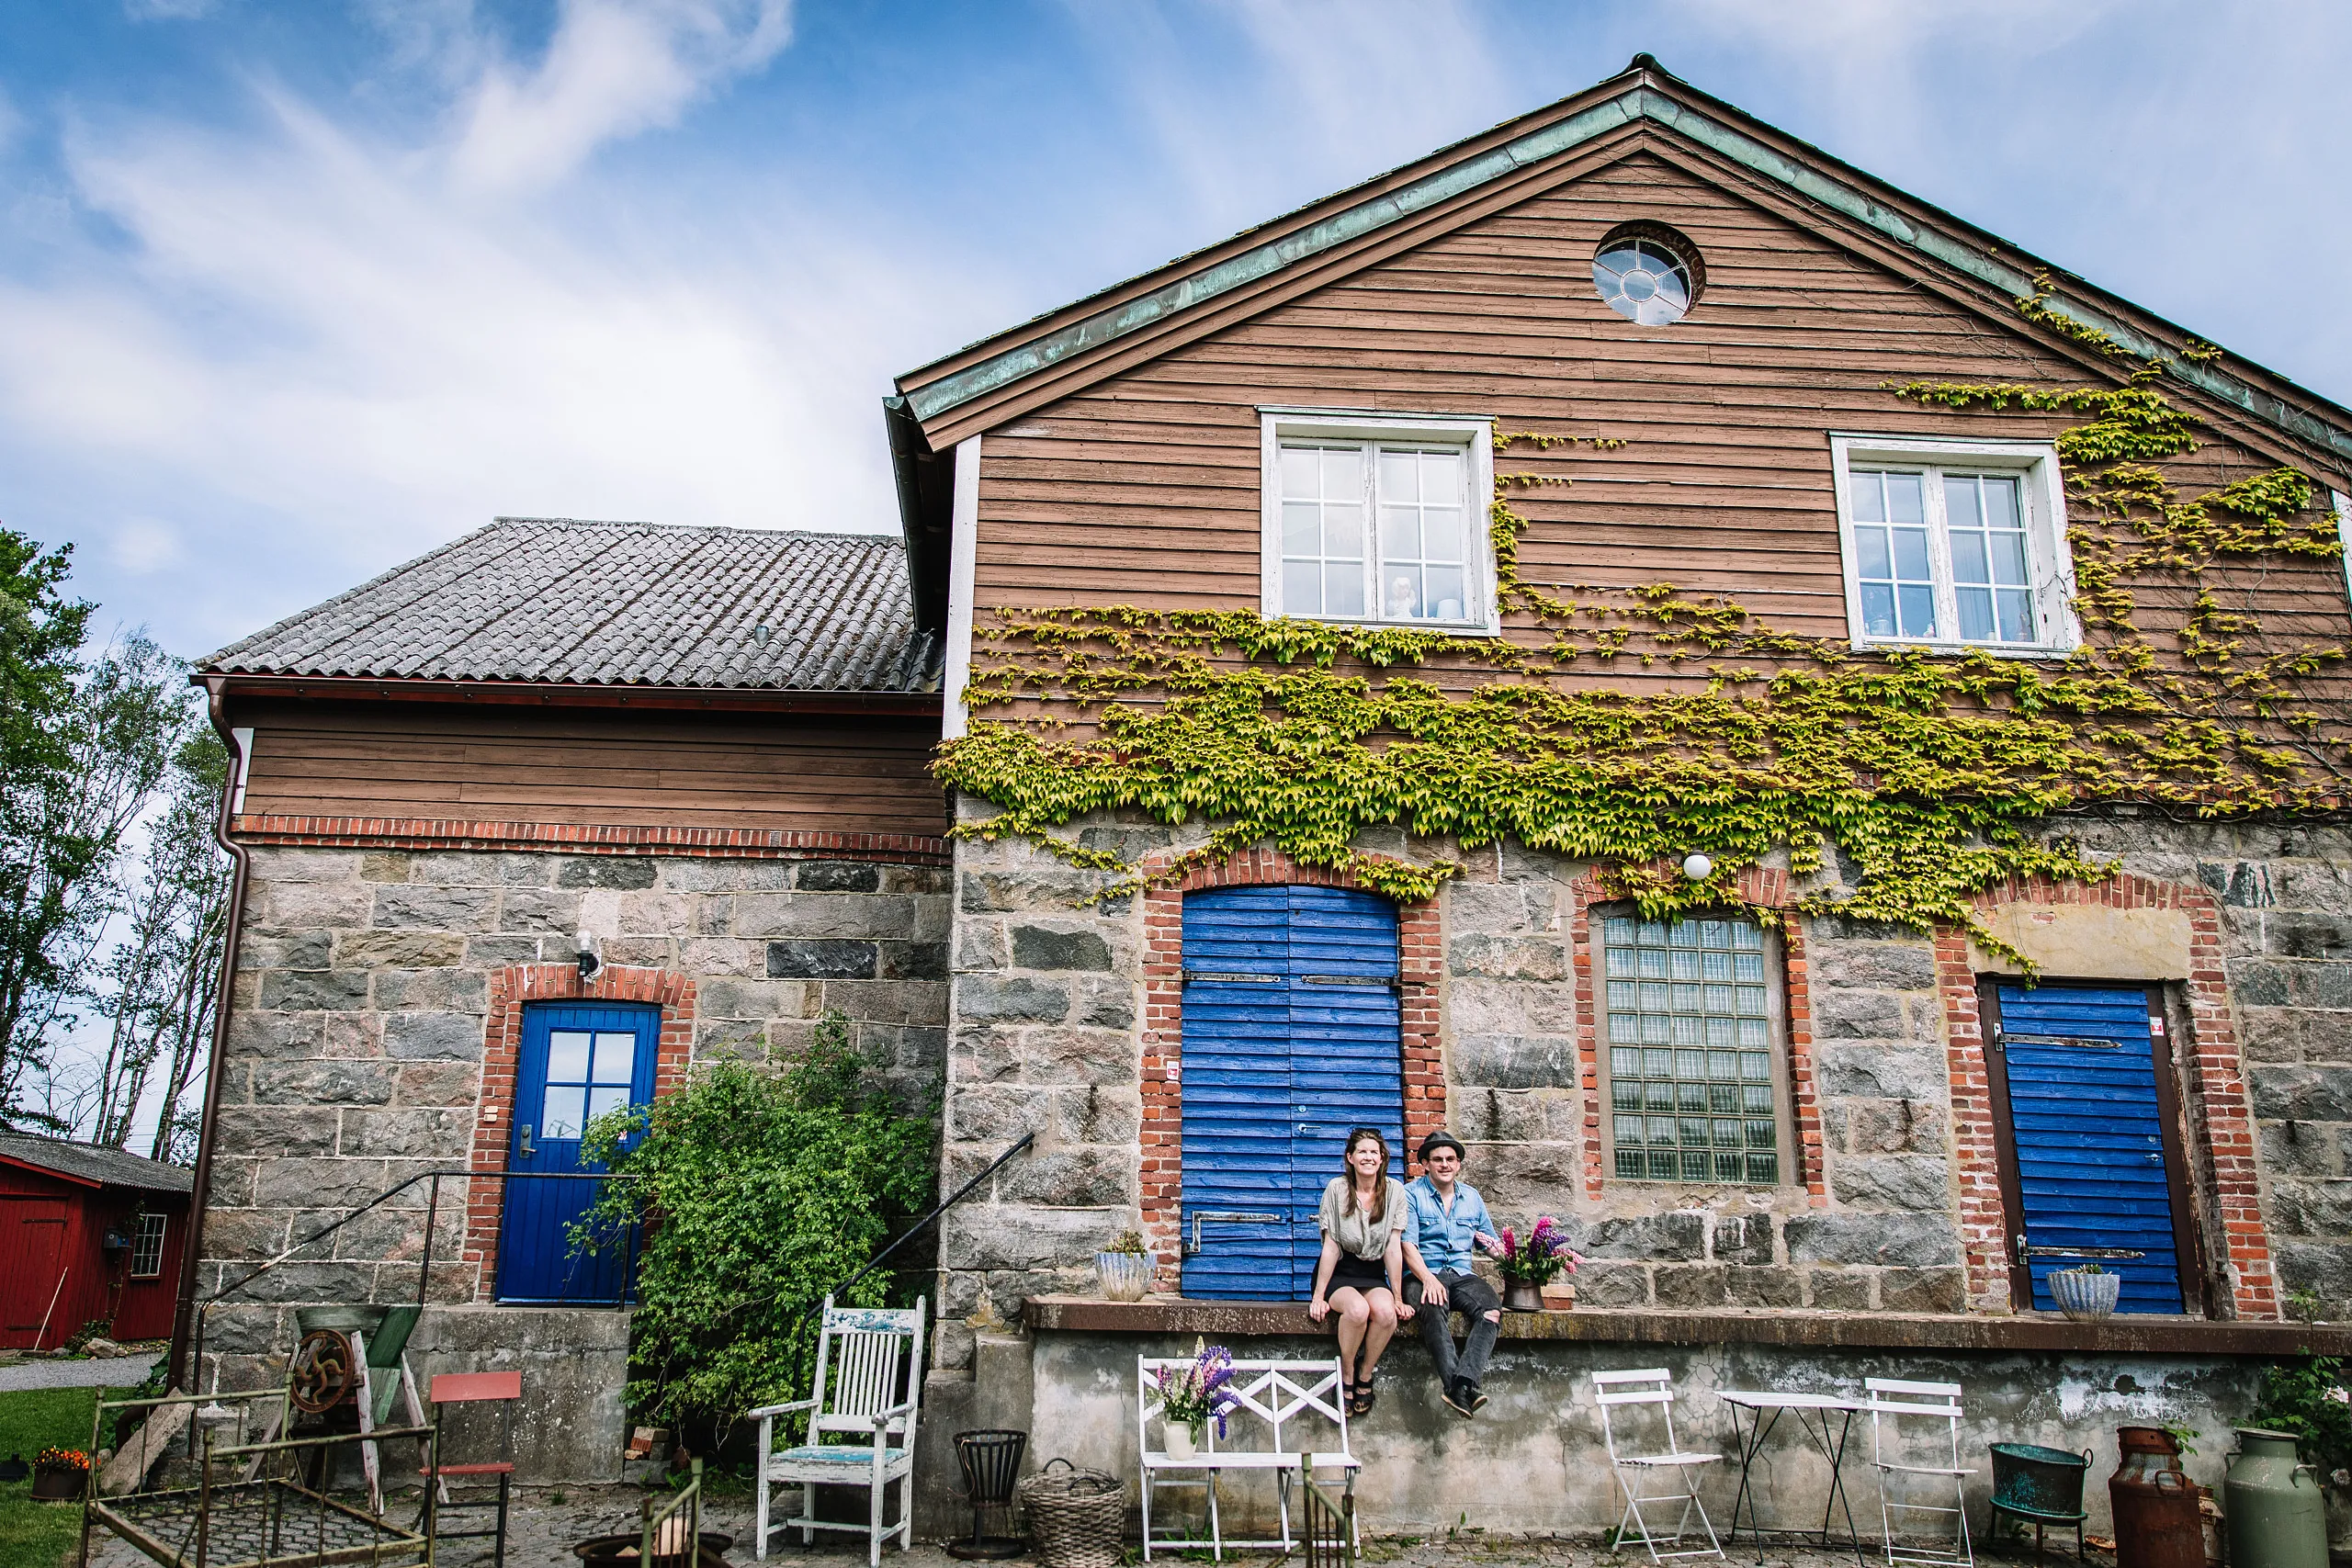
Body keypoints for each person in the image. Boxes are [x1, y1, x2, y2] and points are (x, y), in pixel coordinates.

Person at [1306, 1126, 1415, 1416]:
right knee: (1356, 1311)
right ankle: (1348, 1372)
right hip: (1340, 1270)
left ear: (1382, 1159)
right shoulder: (1337, 1189)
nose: (1368, 1157)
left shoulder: (1394, 1192)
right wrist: (1318, 1296)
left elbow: (1393, 1247)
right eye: (1362, 1152)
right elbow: (1330, 1246)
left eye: (1373, 1152)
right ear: (1350, 1158)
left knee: (1386, 1314)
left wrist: (1397, 1297)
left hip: (1372, 1272)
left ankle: (1366, 1373)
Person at [1401, 1130, 1503, 1416]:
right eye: (1437, 1159)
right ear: (1425, 1164)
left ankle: (1462, 1383)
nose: (1444, 1164)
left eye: (1450, 1159)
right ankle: (1454, 1385)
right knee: (1431, 1306)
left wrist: (1521, 1261)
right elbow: (1407, 1246)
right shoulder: (1411, 1194)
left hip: (1462, 1275)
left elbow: (1489, 1242)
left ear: (1458, 1164)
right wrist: (1428, 1279)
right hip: (1424, 1272)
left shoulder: (1471, 1197)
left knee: (1491, 1311)